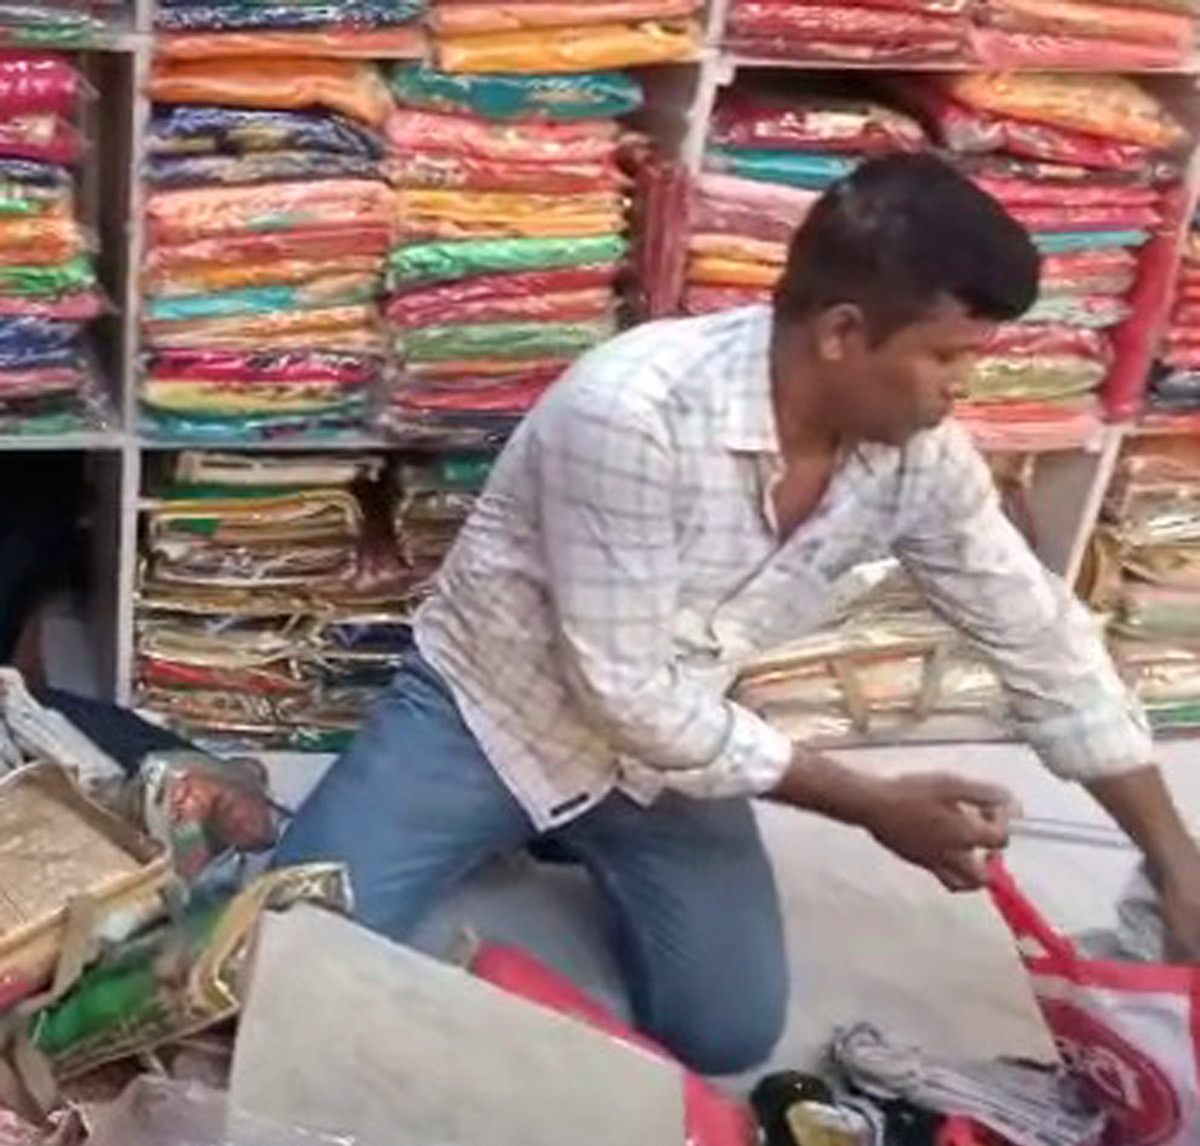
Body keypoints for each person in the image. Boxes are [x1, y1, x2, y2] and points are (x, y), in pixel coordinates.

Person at [277, 153, 1200, 1074]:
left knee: (728, 1032)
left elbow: (1037, 633)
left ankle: (566, 832)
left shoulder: (917, 453)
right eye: (947, 356)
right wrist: (873, 805)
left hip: (673, 751)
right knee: (278, 964)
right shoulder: (631, 415)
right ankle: (464, 815)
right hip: (496, 714)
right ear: (843, 333)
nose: (961, 388)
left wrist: (1173, 859)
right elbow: (627, 698)